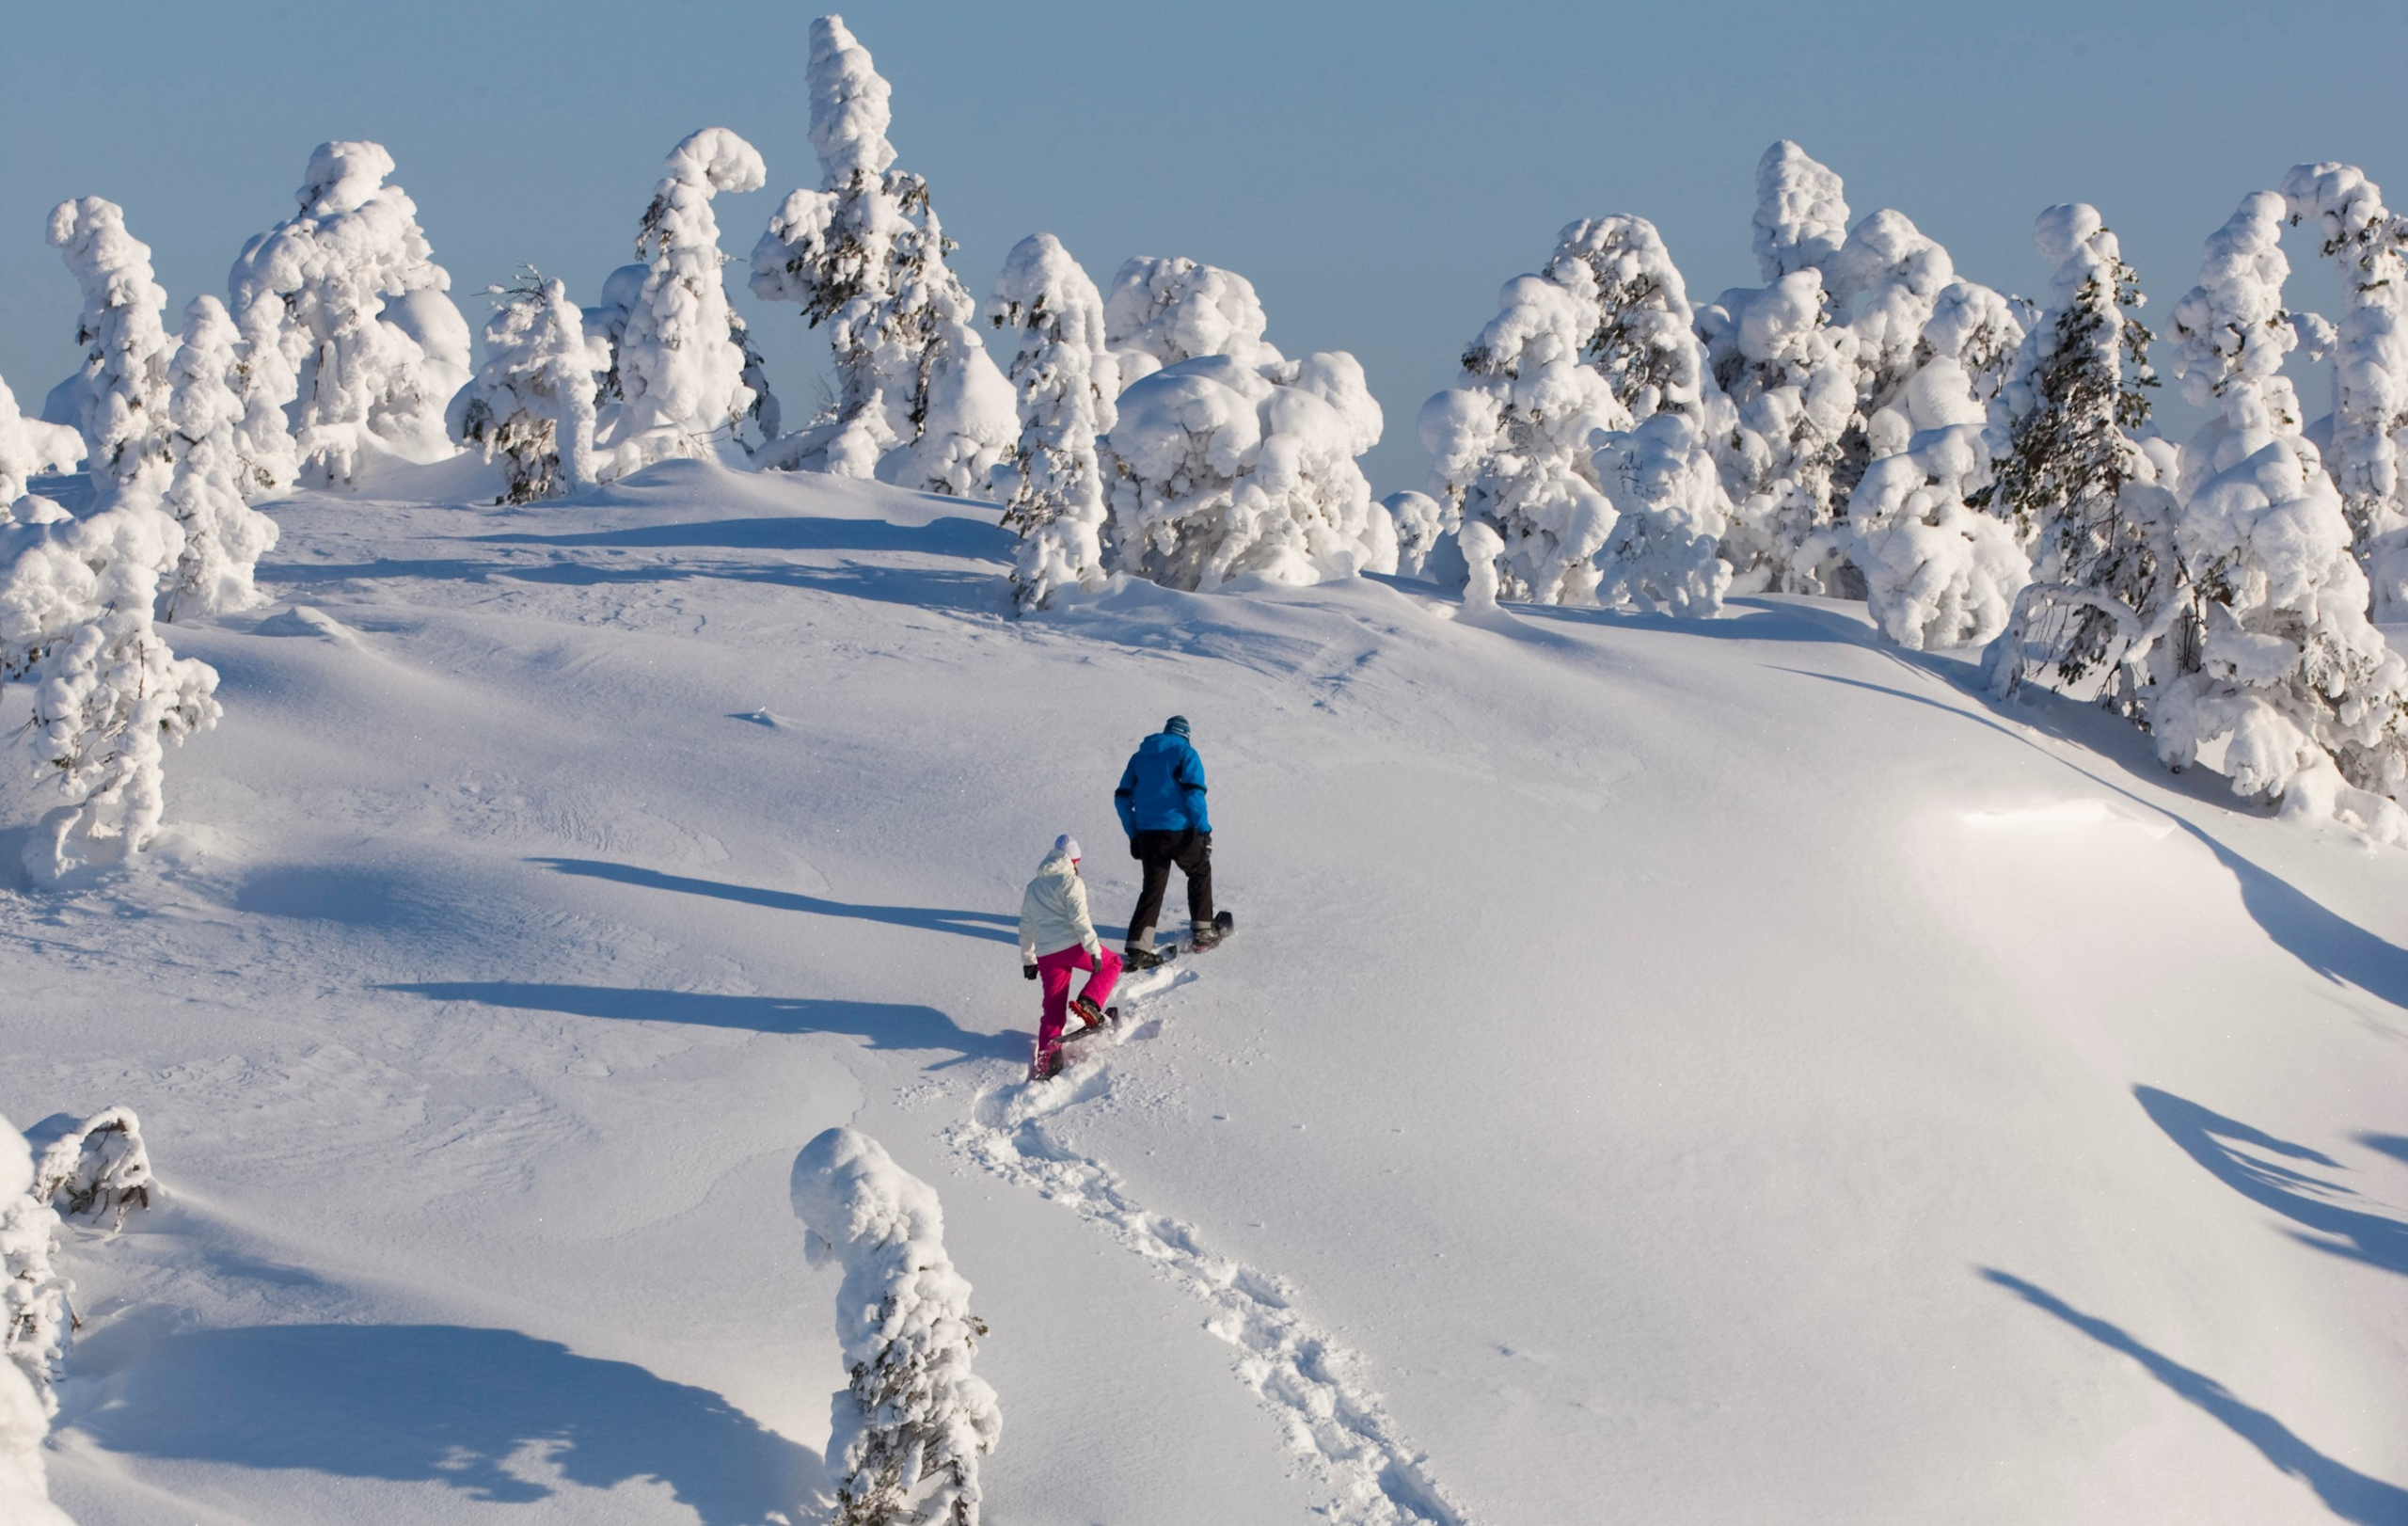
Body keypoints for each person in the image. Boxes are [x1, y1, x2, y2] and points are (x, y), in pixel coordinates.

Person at [1115, 715, 1217, 969]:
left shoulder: (1139, 757)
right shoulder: (1186, 753)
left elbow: (1122, 799)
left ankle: (1138, 947)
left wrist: (1134, 834)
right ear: (1186, 735)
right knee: (1199, 870)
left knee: (1152, 888)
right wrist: (1204, 831)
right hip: (1179, 831)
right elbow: (1194, 794)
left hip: (1148, 834)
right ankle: (1203, 931)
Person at [1019, 834, 1120, 1079]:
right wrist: (1094, 950)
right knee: (1113, 963)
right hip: (1073, 947)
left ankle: (1047, 1062)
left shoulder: (1034, 886)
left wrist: (1028, 959)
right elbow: (1080, 919)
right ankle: (1090, 1004)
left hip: (1047, 955)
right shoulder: (1071, 881)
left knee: (1052, 1009)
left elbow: (1026, 924)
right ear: (1073, 860)